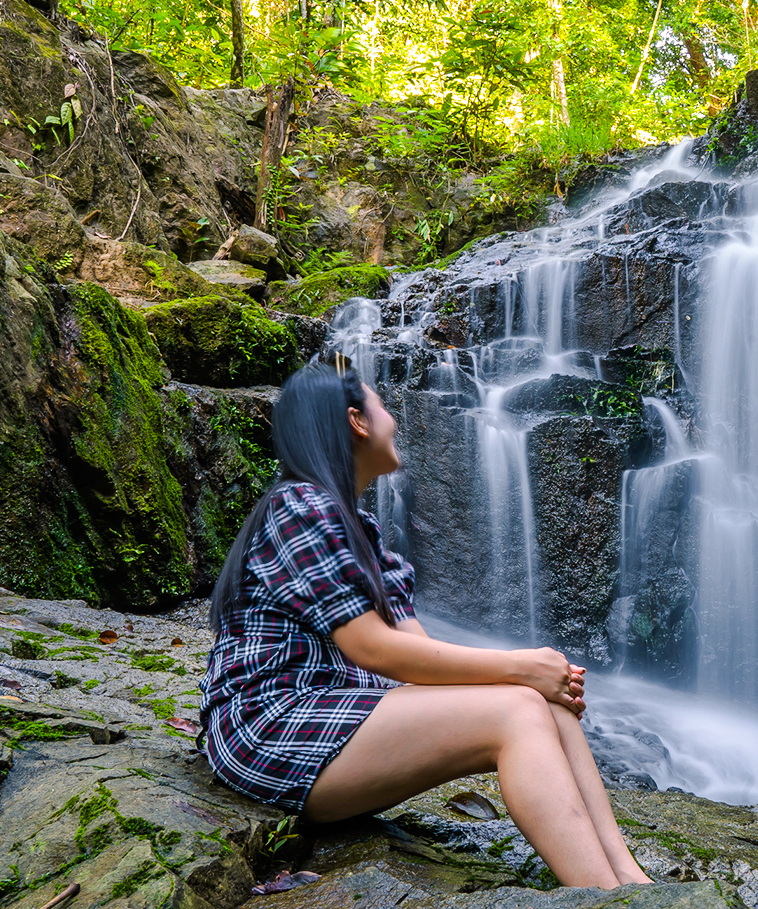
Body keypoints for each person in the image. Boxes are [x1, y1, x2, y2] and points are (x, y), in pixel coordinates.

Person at [200, 358, 653, 889]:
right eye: (383, 406)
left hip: (332, 721)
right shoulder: (299, 505)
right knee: (515, 711)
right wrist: (520, 667)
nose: (394, 418)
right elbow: (372, 646)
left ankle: (630, 880)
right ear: (357, 421)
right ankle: (599, 894)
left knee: (542, 702)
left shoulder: (360, 529)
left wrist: (531, 675)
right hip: (271, 728)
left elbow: (417, 654)